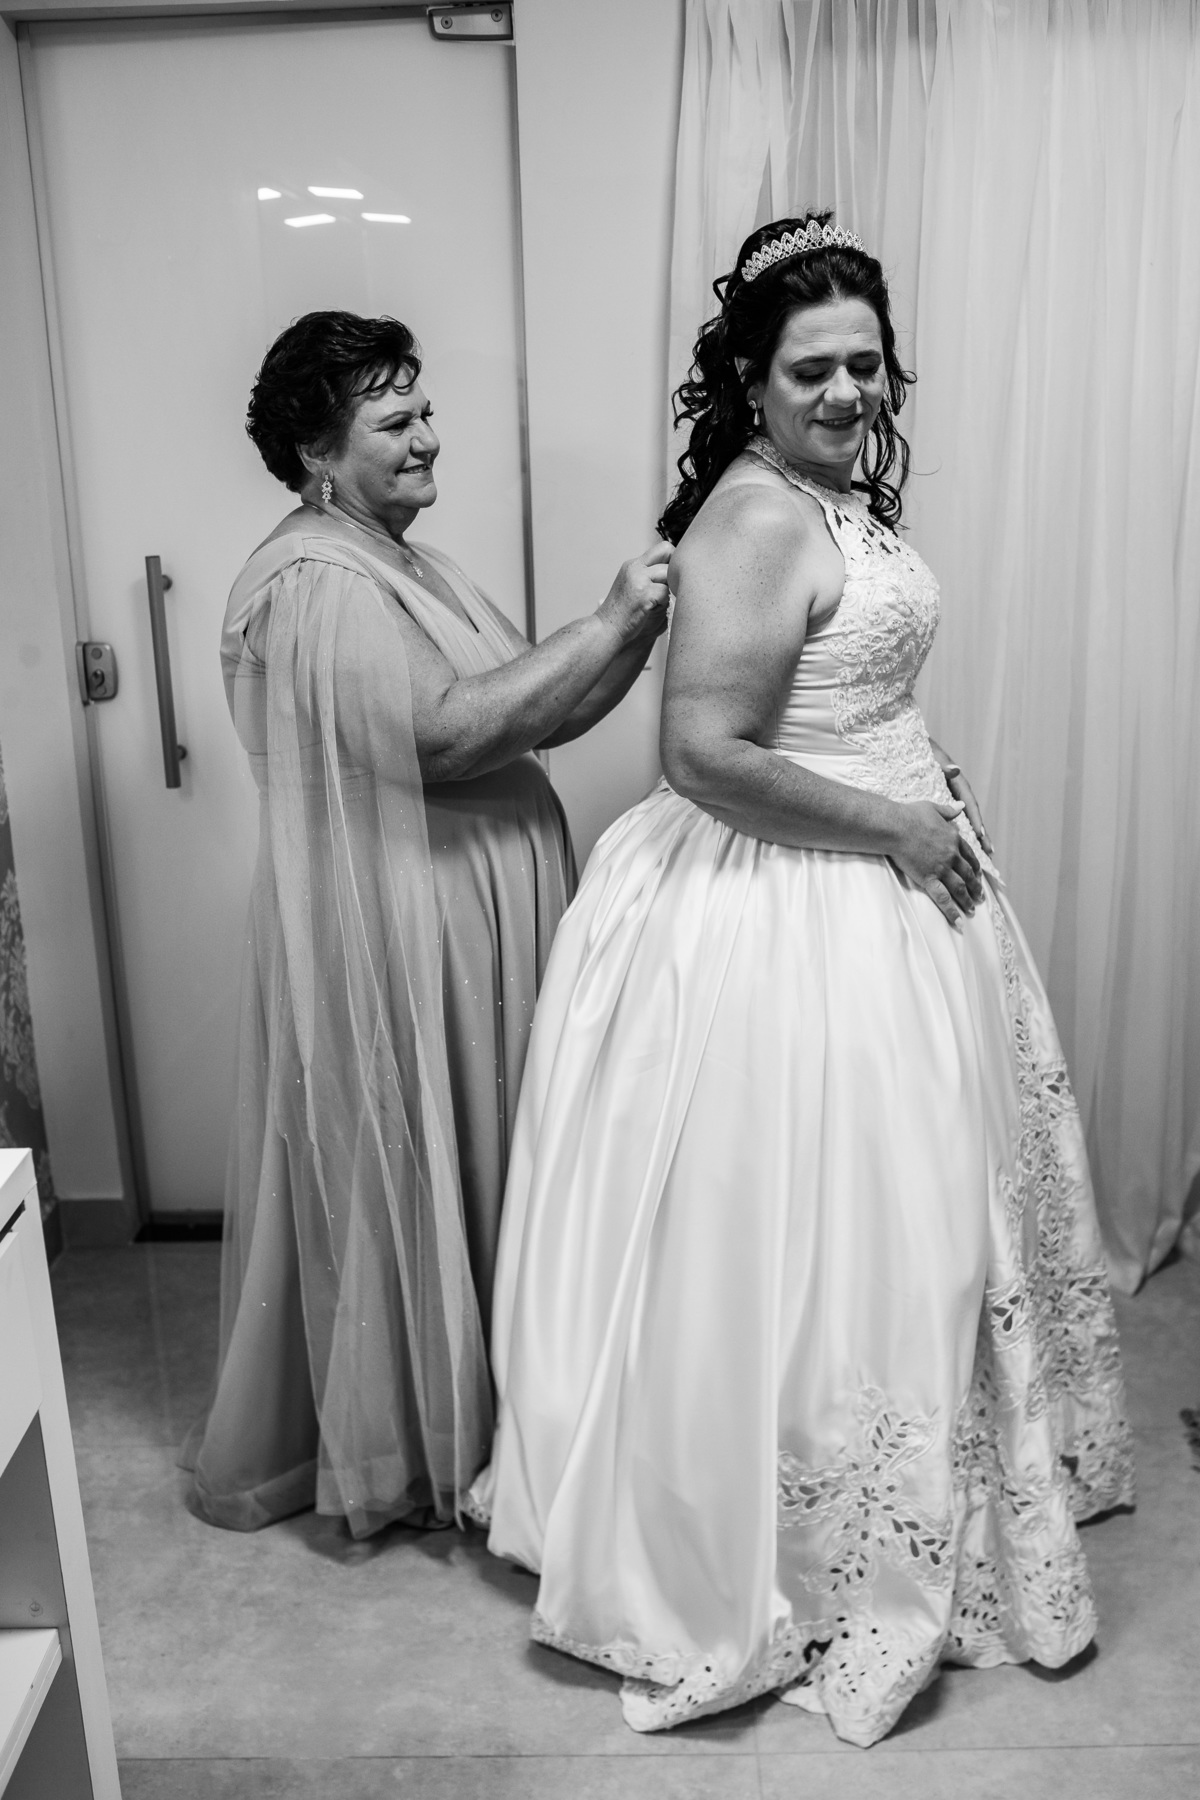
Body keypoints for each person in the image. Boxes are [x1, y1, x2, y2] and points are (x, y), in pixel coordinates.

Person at [468, 216, 1135, 1745]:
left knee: (910, 1221)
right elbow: (704, 755)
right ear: (753, 386)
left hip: (883, 868)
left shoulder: (831, 494)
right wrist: (894, 822)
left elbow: (846, 682)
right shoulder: (758, 520)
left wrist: (915, 771)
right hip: (780, 905)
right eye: (811, 369)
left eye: (865, 364)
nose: (846, 392)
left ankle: (910, 1496)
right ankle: (795, 1542)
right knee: (807, 1226)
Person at [184, 311, 668, 1537]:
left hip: (467, 918)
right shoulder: (317, 580)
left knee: (497, 1157)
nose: (428, 438)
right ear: (316, 451)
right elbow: (442, 737)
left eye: (426, 411)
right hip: (406, 933)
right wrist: (607, 622)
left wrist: (639, 626)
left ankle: (512, 1416)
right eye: (395, 420)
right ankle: (420, 1439)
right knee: (420, 1165)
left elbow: (536, 713)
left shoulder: (410, 562)